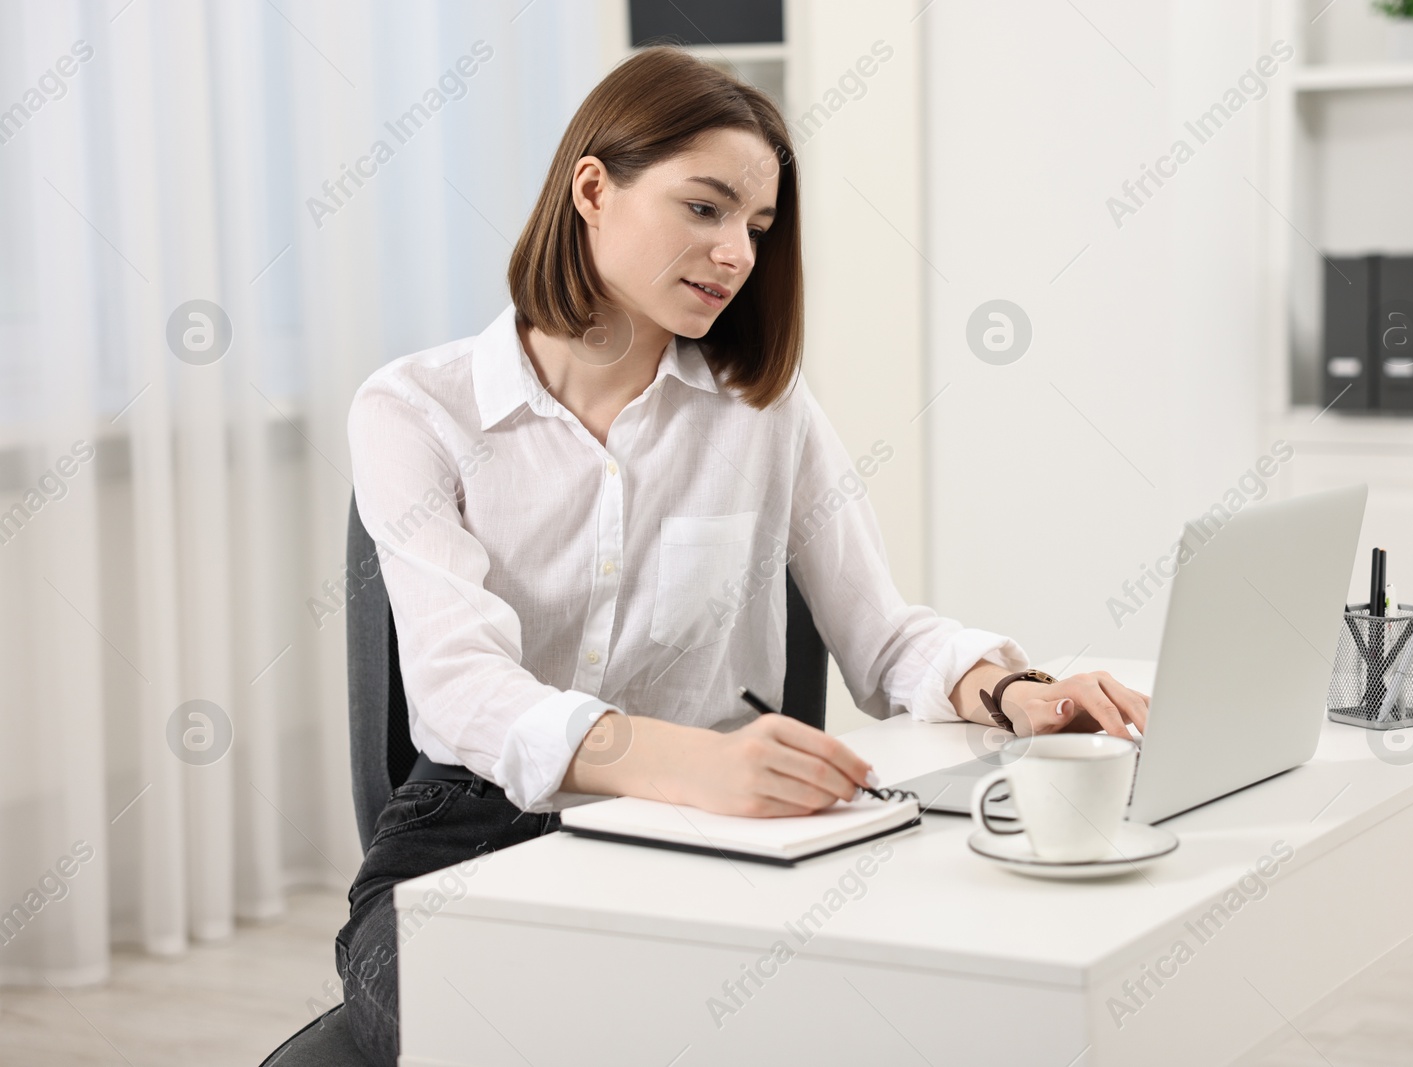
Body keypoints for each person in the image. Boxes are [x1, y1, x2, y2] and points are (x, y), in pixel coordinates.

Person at [335, 44, 1148, 1066]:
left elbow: (883, 635)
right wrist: (698, 761)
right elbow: (458, 690)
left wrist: (1013, 688)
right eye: (705, 208)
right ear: (593, 188)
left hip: (710, 841)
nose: (736, 254)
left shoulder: (765, 412)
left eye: (756, 228)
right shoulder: (415, 409)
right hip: (470, 831)